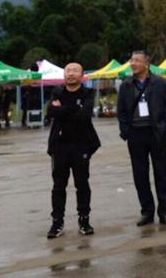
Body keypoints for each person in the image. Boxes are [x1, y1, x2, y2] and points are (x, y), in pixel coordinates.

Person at [117, 51, 166, 226]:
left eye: (137, 61)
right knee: (140, 174)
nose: (133, 64)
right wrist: (125, 130)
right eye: (131, 60)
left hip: (156, 132)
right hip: (135, 134)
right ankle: (147, 211)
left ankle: (164, 211)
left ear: (146, 64)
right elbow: (121, 111)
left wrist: (165, 126)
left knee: (162, 173)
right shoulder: (126, 85)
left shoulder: (160, 83)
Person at [46, 62, 100, 239]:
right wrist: (72, 108)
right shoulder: (57, 92)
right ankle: (57, 222)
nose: (71, 74)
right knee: (58, 185)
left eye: (75, 71)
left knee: (82, 183)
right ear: (64, 75)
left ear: (82, 75)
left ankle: (84, 220)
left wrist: (62, 109)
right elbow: (51, 112)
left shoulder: (88, 93)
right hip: (60, 145)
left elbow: (84, 116)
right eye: (68, 71)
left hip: (81, 144)